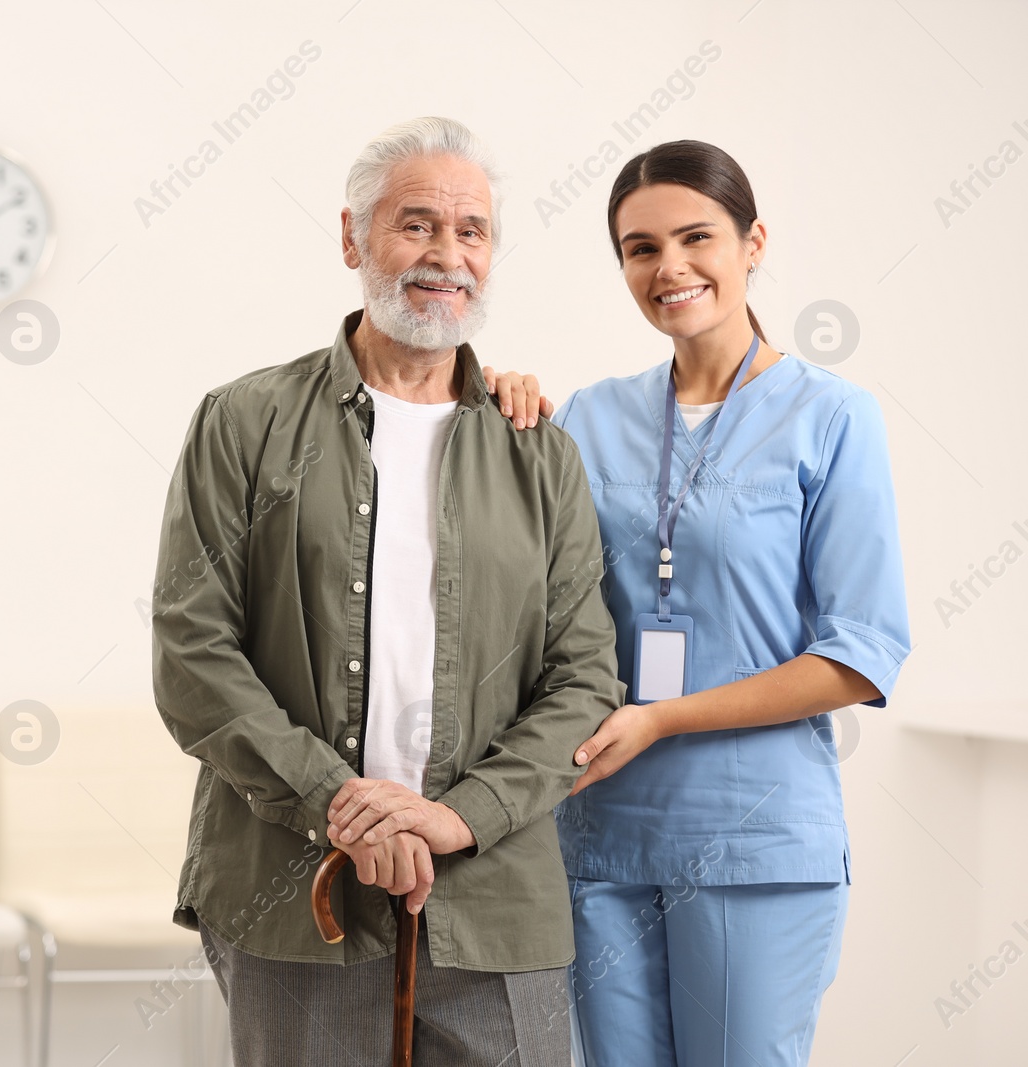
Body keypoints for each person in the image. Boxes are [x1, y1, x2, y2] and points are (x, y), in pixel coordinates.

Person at [338, 139, 912, 1066]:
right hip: (597, 838)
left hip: (754, 841)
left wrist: (661, 718)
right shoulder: (589, 414)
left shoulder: (831, 418)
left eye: (697, 238)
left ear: (753, 242)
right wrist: (499, 391)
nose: (670, 268)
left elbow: (860, 653)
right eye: (641, 248)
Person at [150, 116, 625, 1066]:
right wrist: (341, 805)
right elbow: (193, 653)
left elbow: (585, 680)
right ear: (352, 237)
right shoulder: (243, 422)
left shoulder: (541, 450)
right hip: (298, 890)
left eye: (473, 232)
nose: (446, 256)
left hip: (497, 899)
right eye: (416, 225)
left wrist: (461, 816)